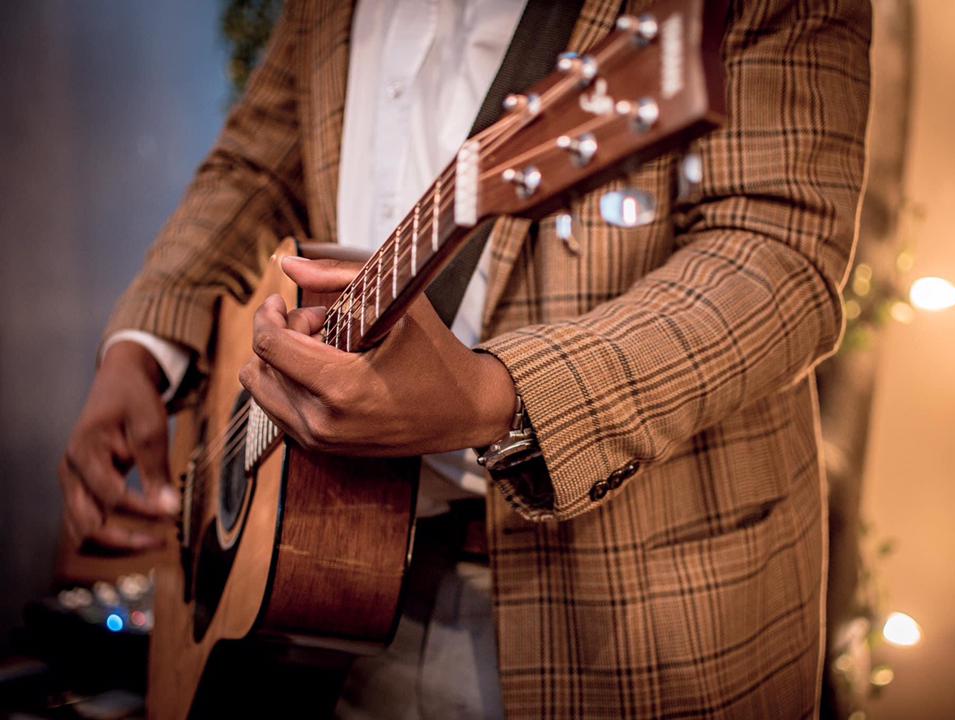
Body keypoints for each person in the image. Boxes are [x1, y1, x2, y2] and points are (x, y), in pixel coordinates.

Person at [59, 0, 872, 717]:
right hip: (304, 593)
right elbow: (256, 157)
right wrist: (140, 348)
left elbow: (778, 256)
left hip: (631, 619)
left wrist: (497, 396)